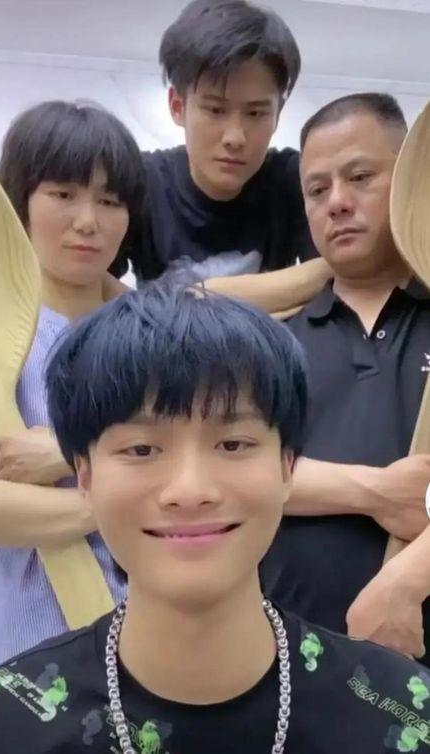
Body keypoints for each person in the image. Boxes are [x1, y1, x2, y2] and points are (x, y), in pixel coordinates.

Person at [0, 282, 430, 754]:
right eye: (142, 449)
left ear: (286, 467)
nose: (190, 491)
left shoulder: (402, 714)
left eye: (232, 444)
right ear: (85, 474)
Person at [0, 100, 144, 669]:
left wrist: (70, 455)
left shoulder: (165, 337)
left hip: (174, 645)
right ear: (19, 200)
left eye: (110, 201)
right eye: (63, 193)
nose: (88, 221)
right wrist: (124, 499)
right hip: (37, 657)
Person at [262, 93, 430, 663]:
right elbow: (234, 470)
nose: (336, 202)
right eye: (317, 190)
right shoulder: (270, 343)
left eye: (360, 177)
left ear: (408, 181)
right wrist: (377, 492)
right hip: (293, 665)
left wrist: (407, 578)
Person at [113, 0, 331, 313]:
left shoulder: (296, 178)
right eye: (215, 110)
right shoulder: (140, 181)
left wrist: (196, 297)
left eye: (255, 113)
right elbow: (92, 291)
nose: (235, 138)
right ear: (177, 106)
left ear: (278, 114)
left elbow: (340, 273)